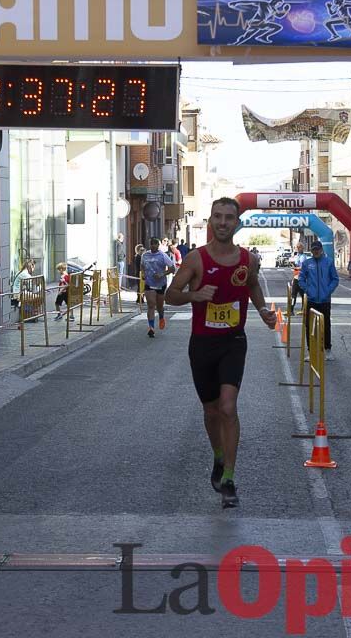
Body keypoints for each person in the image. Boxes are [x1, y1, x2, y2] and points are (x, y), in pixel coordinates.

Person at [166, 197, 277, 508]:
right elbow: (170, 295)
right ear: (211, 220)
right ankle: (218, 455)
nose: (224, 222)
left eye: (230, 217)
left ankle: (229, 477)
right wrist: (194, 295)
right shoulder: (196, 260)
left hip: (233, 342)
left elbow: (252, 285)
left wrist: (264, 310)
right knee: (211, 411)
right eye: (218, 217)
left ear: (237, 222)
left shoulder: (247, 260)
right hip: (202, 344)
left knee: (228, 408)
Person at [298, 240, 340, 359]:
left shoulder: (328, 262)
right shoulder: (307, 263)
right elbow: (301, 279)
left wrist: (328, 291)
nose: (316, 251)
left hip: (325, 300)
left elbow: (335, 279)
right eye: (313, 250)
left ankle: (327, 349)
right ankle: (311, 352)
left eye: (317, 249)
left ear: (321, 250)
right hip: (311, 300)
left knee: (326, 325)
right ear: (311, 251)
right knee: (310, 327)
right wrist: (308, 290)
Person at [141, 240, 176, 338]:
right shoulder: (145, 255)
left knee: (159, 307)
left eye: (155, 244)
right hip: (149, 283)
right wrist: (143, 273)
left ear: (158, 245)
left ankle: (161, 316)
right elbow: (142, 266)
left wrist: (162, 274)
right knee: (151, 305)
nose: (153, 246)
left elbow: (172, 268)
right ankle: (151, 328)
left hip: (160, 284)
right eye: (151, 244)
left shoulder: (163, 255)